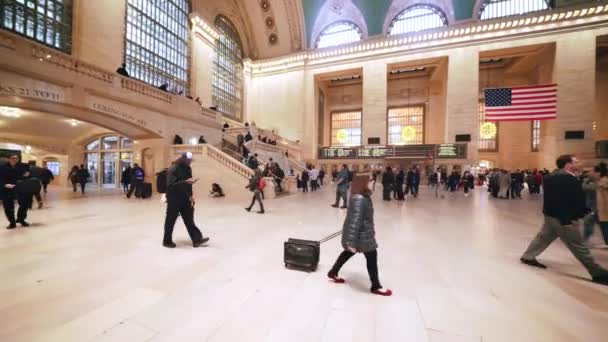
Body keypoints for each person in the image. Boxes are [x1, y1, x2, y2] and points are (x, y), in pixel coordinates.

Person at [520, 155, 608, 286]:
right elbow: (562, 200)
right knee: (578, 246)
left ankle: (528, 256)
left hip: (552, 215)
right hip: (563, 218)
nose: (579, 163)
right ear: (568, 164)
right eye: (576, 161)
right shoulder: (565, 178)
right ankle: (598, 273)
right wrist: (567, 219)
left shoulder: (555, 176)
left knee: (543, 237)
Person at [327, 174, 392, 296]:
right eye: (371, 181)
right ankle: (376, 286)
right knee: (371, 257)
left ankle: (333, 272)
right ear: (363, 182)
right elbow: (354, 221)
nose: (373, 183)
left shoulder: (362, 197)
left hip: (362, 234)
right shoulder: (360, 199)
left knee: (348, 253)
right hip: (362, 237)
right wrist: (351, 242)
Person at [163, 152, 209, 248]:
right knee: (170, 220)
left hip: (185, 198)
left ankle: (196, 240)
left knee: (189, 219)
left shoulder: (188, 168)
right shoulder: (173, 168)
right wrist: (185, 182)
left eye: (190, 160)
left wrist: (191, 195)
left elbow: (189, 184)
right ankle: (166, 241)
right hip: (174, 199)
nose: (189, 162)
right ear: (183, 159)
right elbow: (170, 185)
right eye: (188, 160)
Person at [0, 154, 31, 228]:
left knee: (24, 204)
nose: (14, 159)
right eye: (12, 158)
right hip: (7, 189)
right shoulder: (2, 168)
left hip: (20, 189)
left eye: (16, 158)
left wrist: (28, 175)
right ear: (8, 159)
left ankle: (21, 219)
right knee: (8, 207)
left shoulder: (22, 166)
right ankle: (12, 223)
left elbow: (27, 175)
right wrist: (4, 185)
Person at [592, 163, 608, 245]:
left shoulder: (604, 182)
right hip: (602, 211)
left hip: (605, 212)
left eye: (593, 171)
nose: (592, 173)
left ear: (598, 173)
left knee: (605, 229)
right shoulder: (601, 182)